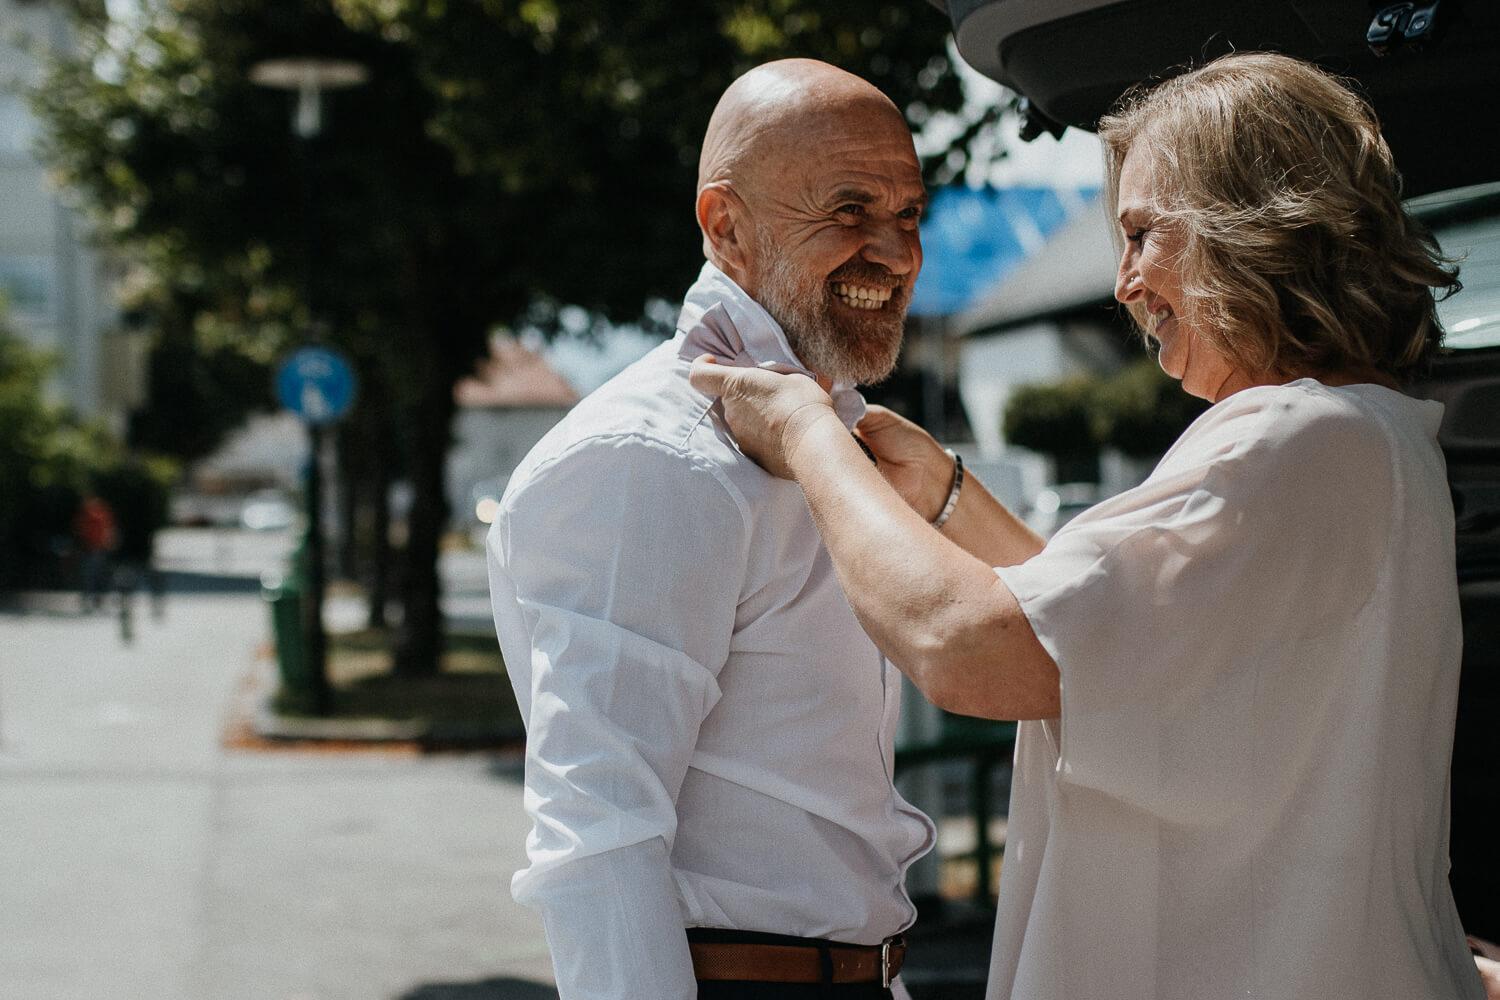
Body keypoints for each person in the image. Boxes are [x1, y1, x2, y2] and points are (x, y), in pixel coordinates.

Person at [690, 51, 1487, 999]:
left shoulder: (1292, 439)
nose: (1123, 282)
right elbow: (1121, 651)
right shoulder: (1377, 440)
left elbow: (971, 649)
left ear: (1255, 227)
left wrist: (806, 436)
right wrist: (953, 497)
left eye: (1144, 232)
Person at [487, 59, 935, 999]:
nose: (895, 253)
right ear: (724, 224)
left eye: (908, 215)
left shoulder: (832, 428)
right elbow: (596, 831)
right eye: (849, 211)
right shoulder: (652, 454)